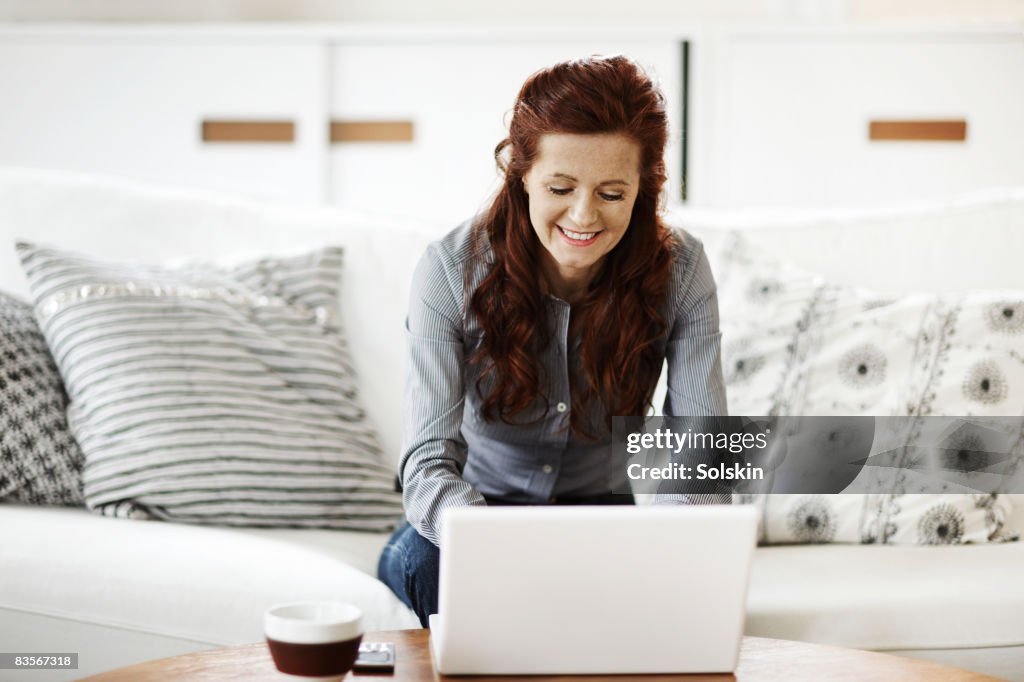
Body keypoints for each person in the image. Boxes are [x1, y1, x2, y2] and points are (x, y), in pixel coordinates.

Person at [377, 55, 728, 627]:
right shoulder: (448, 270)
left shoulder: (682, 269)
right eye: (560, 187)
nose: (584, 216)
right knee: (428, 567)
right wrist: (497, 548)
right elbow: (427, 464)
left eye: (613, 193)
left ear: (645, 186)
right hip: (474, 516)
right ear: (521, 175)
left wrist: (670, 544)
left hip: (606, 514)